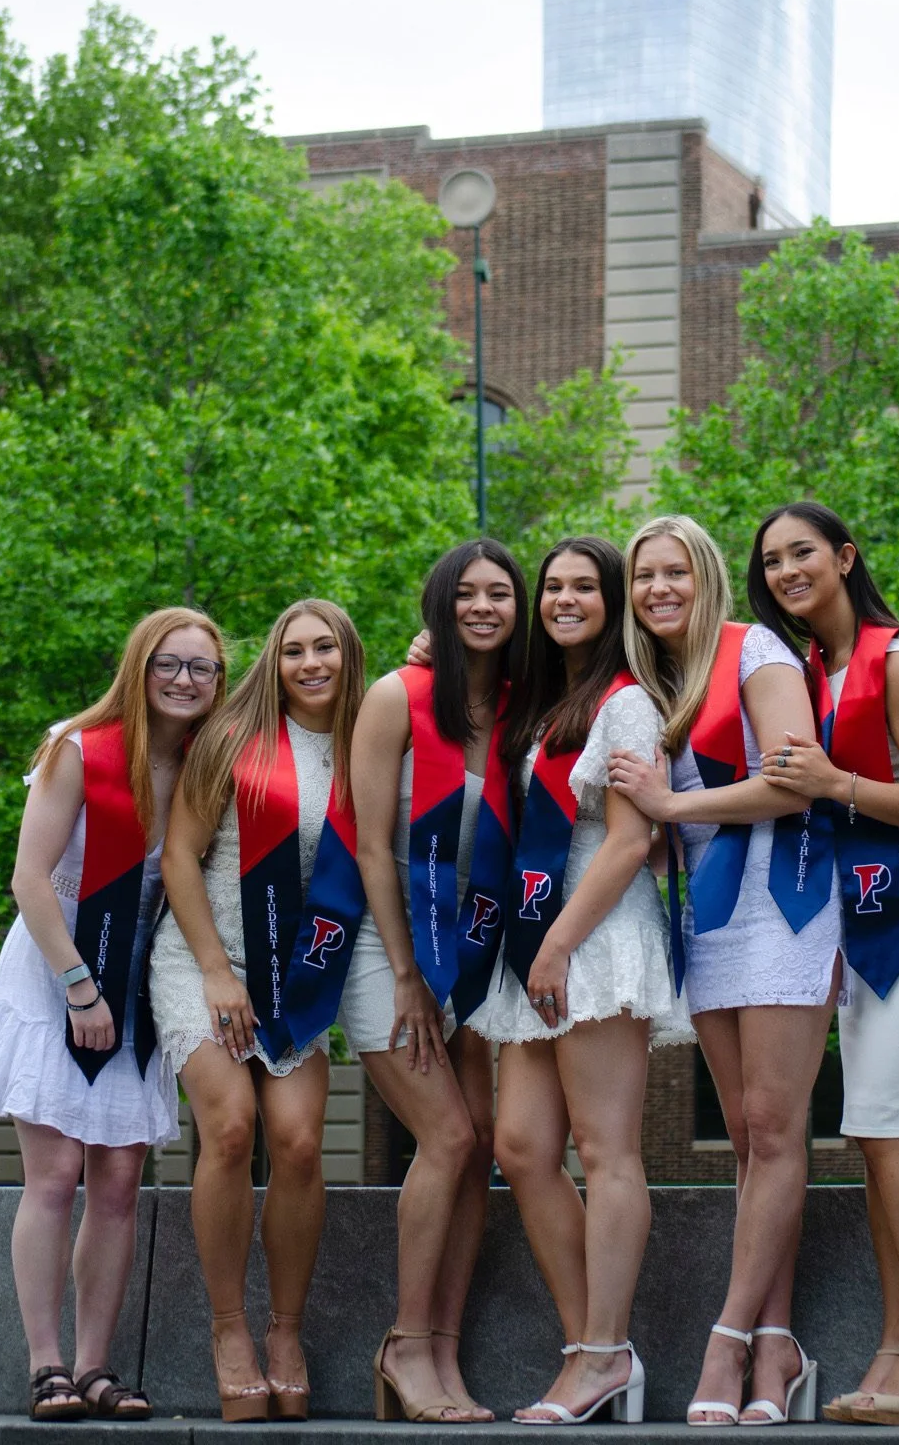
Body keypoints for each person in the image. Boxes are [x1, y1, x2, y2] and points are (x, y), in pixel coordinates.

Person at [0, 607, 227, 1421]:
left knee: (117, 1183)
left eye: (201, 668)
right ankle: (47, 1367)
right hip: (56, 970)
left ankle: (99, 1367)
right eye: (168, 665)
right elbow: (29, 879)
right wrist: (78, 987)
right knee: (57, 1174)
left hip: (137, 980)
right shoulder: (80, 749)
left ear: (219, 683)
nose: (184, 680)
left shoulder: (206, 763)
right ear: (139, 670)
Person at [747, 502, 899, 1428]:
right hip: (860, 903)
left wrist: (835, 784)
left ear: (844, 557)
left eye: (802, 553)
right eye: (770, 562)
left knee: (887, 1120)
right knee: (880, 1126)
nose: (786, 571)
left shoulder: (898, 659)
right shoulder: (806, 669)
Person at [608, 514, 839, 1428]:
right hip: (709, 908)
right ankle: (777, 1345)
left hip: (782, 900)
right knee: (748, 1139)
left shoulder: (756, 653)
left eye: (674, 572)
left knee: (773, 1128)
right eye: (643, 576)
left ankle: (727, 1340)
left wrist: (669, 801)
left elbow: (791, 777)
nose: (658, 588)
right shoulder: (655, 681)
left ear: (704, 577)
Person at [465, 536, 691, 1426]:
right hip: (538, 939)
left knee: (605, 1151)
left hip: (592, 933)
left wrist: (558, 943)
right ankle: (592, 1349)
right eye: (550, 587)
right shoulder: (541, 704)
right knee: (521, 1147)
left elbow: (634, 839)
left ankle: (601, 1351)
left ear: (612, 604)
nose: (564, 599)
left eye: (583, 588)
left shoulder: (626, 704)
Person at [151, 599, 365, 1423]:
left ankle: (285, 1332)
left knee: (301, 1142)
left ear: (349, 658)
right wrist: (213, 971)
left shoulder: (366, 748)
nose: (309, 664)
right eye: (292, 651)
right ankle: (228, 1329)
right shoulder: (234, 741)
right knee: (231, 1126)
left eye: (325, 650)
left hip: (296, 973)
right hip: (206, 959)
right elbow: (179, 856)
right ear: (272, 664)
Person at [337, 539, 527, 1424]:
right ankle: (406, 1345)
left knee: (483, 1142)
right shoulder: (396, 700)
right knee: (447, 1137)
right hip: (390, 945)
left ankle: (444, 1354)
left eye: (501, 593)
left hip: (478, 938)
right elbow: (372, 844)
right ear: (440, 605)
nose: (484, 606)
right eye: (467, 594)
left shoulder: (527, 707)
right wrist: (408, 976)